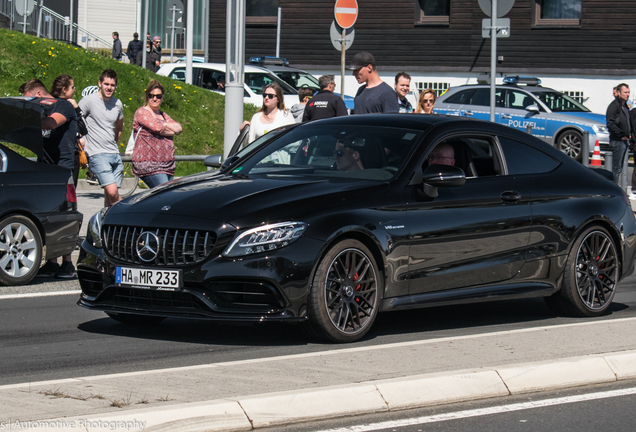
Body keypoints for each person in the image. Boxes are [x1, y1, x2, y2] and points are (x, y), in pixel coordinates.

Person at [20, 78, 78, 278]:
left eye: (27, 100)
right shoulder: (41, 110)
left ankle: (68, 264)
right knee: (49, 213)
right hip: (45, 166)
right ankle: (52, 262)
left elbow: (52, 123)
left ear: (37, 95)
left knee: (64, 213)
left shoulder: (63, 105)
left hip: (63, 168)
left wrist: (27, 118)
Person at [79, 69, 124, 207]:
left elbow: (119, 126)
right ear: (100, 83)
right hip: (97, 154)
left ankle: (106, 226)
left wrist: (113, 141)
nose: (109, 87)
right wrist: (80, 141)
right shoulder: (88, 101)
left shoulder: (118, 104)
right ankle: (130, 215)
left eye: (112, 85)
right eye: (106, 84)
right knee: (112, 193)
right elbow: (75, 121)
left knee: (109, 198)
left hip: (114, 153)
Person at [131, 79, 182, 188]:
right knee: (164, 196)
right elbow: (158, 128)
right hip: (150, 165)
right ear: (147, 96)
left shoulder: (163, 115)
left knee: (164, 199)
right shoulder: (142, 112)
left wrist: (163, 125)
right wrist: (167, 126)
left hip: (168, 165)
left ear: (162, 98)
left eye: (158, 96)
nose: (155, 98)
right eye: (151, 95)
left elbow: (178, 129)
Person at [50, 74, 87, 187]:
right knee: (68, 192)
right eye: (72, 87)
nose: (74, 90)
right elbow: (83, 128)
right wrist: (77, 108)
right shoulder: (68, 106)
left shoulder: (49, 104)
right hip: (69, 154)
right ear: (64, 89)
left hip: (50, 153)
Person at [606, 83, 632, 187]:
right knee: (615, 168)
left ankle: (616, 188)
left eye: (628, 92)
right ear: (619, 93)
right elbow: (610, 124)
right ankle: (612, 189)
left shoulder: (625, 106)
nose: (627, 94)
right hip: (617, 141)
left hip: (624, 141)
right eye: (625, 92)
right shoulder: (614, 106)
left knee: (620, 167)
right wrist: (621, 134)